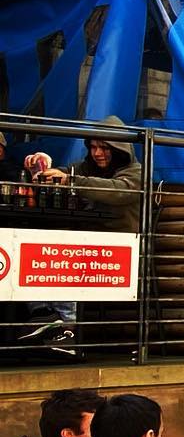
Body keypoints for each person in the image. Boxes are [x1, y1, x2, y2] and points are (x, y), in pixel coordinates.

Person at [27, 120, 145, 347]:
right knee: (39, 247)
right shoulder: (84, 168)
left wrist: (72, 180)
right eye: (93, 147)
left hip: (120, 253)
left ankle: (67, 328)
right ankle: (44, 316)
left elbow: (118, 191)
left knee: (65, 255)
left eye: (104, 148)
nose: (97, 153)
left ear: (120, 148)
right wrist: (41, 167)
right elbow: (62, 172)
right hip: (88, 245)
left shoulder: (136, 171)